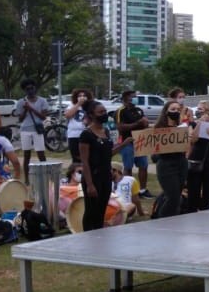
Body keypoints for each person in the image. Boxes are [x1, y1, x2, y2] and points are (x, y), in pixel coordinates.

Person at [79, 100, 130, 231]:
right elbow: (84, 161)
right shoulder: (86, 135)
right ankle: (87, 236)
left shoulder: (106, 131)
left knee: (101, 209)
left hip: (105, 176)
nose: (104, 114)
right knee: (91, 210)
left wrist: (123, 144)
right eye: (100, 112)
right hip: (93, 176)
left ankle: (98, 234)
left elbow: (108, 154)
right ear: (91, 115)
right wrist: (90, 184)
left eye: (105, 111)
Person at [152, 101, 191, 218]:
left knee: (177, 196)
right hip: (166, 165)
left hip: (181, 163)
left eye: (178, 109)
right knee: (172, 197)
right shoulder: (159, 128)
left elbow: (189, 144)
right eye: (173, 109)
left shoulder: (183, 127)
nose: (176, 112)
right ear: (166, 112)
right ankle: (161, 218)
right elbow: (154, 151)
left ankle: (174, 219)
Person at [114, 90, 152, 198]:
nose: (136, 98)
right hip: (127, 142)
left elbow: (143, 125)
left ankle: (143, 190)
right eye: (134, 97)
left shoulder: (138, 110)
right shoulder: (120, 111)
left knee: (143, 165)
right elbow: (120, 127)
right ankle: (128, 190)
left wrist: (145, 124)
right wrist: (137, 124)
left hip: (140, 142)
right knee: (128, 166)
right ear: (127, 98)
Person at [15, 79, 49, 183]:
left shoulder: (42, 101)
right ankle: (26, 179)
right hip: (25, 130)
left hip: (37, 129)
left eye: (32, 88)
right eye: (27, 89)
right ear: (24, 90)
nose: (30, 91)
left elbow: (43, 117)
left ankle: (45, 177)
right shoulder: (21, 102)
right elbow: (20, 119)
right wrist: (25, 109)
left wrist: (31, 108)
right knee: (27, 155)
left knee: (41, 154)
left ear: (35, 88)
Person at [63, 89, 92, 164]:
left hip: (86, 134)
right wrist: (78, 104)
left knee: (88, 158)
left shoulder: (91, 106)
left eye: (84, 96)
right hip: (73, 135)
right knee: (76, 158)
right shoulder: (72, 105)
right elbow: (68, 115)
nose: (82, 97)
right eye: (79, 96)